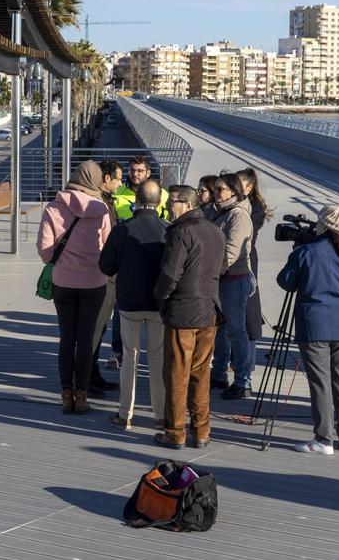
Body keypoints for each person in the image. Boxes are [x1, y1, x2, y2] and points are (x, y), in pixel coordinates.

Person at [276, 205, 339, 455]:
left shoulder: (307, 252)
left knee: (320, 384)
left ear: (323, 224)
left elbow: (285, 282)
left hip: (314, 326)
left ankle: (323, 439)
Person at [36, 160, 114, 415]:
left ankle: (66, 394)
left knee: (66, 338)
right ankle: (82, 396)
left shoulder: (53, 208)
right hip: (94, 283)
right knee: (86, 339)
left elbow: (45, 249)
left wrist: (60, 263)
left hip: (63, 282)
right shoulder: (100, 209)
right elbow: (108, 247)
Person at [153, 185, 227, 450]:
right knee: (200, 373)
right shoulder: (215, 230)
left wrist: (160, 297)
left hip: (183, 311)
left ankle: (175, 432)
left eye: (172, 202)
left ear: (186, 204)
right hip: (209, 309)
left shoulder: (180, 232)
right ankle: (202, 430)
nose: (169, 206)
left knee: (176, 373)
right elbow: (223, 267)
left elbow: (170, 274)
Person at [99, 180, 169, 431]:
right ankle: (160, 414)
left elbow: (105, 265)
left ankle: (124, 413)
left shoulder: (122, 230)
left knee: (130, 357)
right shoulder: (168, 229)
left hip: (128, 303)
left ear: (135, 200)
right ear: (159, 202)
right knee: (158, 358)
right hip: (158, 303)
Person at [208, 172, 256, 400]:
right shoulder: (218, 212)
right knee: (220, 330)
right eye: (215, 188)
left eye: (221, 189)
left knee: (236, 330)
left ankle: (243, 381)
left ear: (234, 192)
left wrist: (209, 274)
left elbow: (231, 252)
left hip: (234, 278)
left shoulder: (238, 216)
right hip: (220, 279)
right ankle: (218, 374)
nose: (216, 193)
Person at [88, 159, 124, 397]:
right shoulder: (98, 203)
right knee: (95, 328)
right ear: (107, 178)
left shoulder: (106, 202)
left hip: (106, 273)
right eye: (119, 178)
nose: (121, 184)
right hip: (101, 274)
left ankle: (92, 375)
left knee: (99, 328)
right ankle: (87, 379)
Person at [237, 167, 271, 352]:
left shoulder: (255, 207)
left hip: (247, 256)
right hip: (236, 255)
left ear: (249, 187)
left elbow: (249, 229)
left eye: (239, 184)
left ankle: (249, 347)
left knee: (249, 299)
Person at [112, 155, 170, 221]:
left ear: (148, 173)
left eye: (140, 171)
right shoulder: (117, 193)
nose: (135, 174)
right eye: (132, 170)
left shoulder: (162, 194)